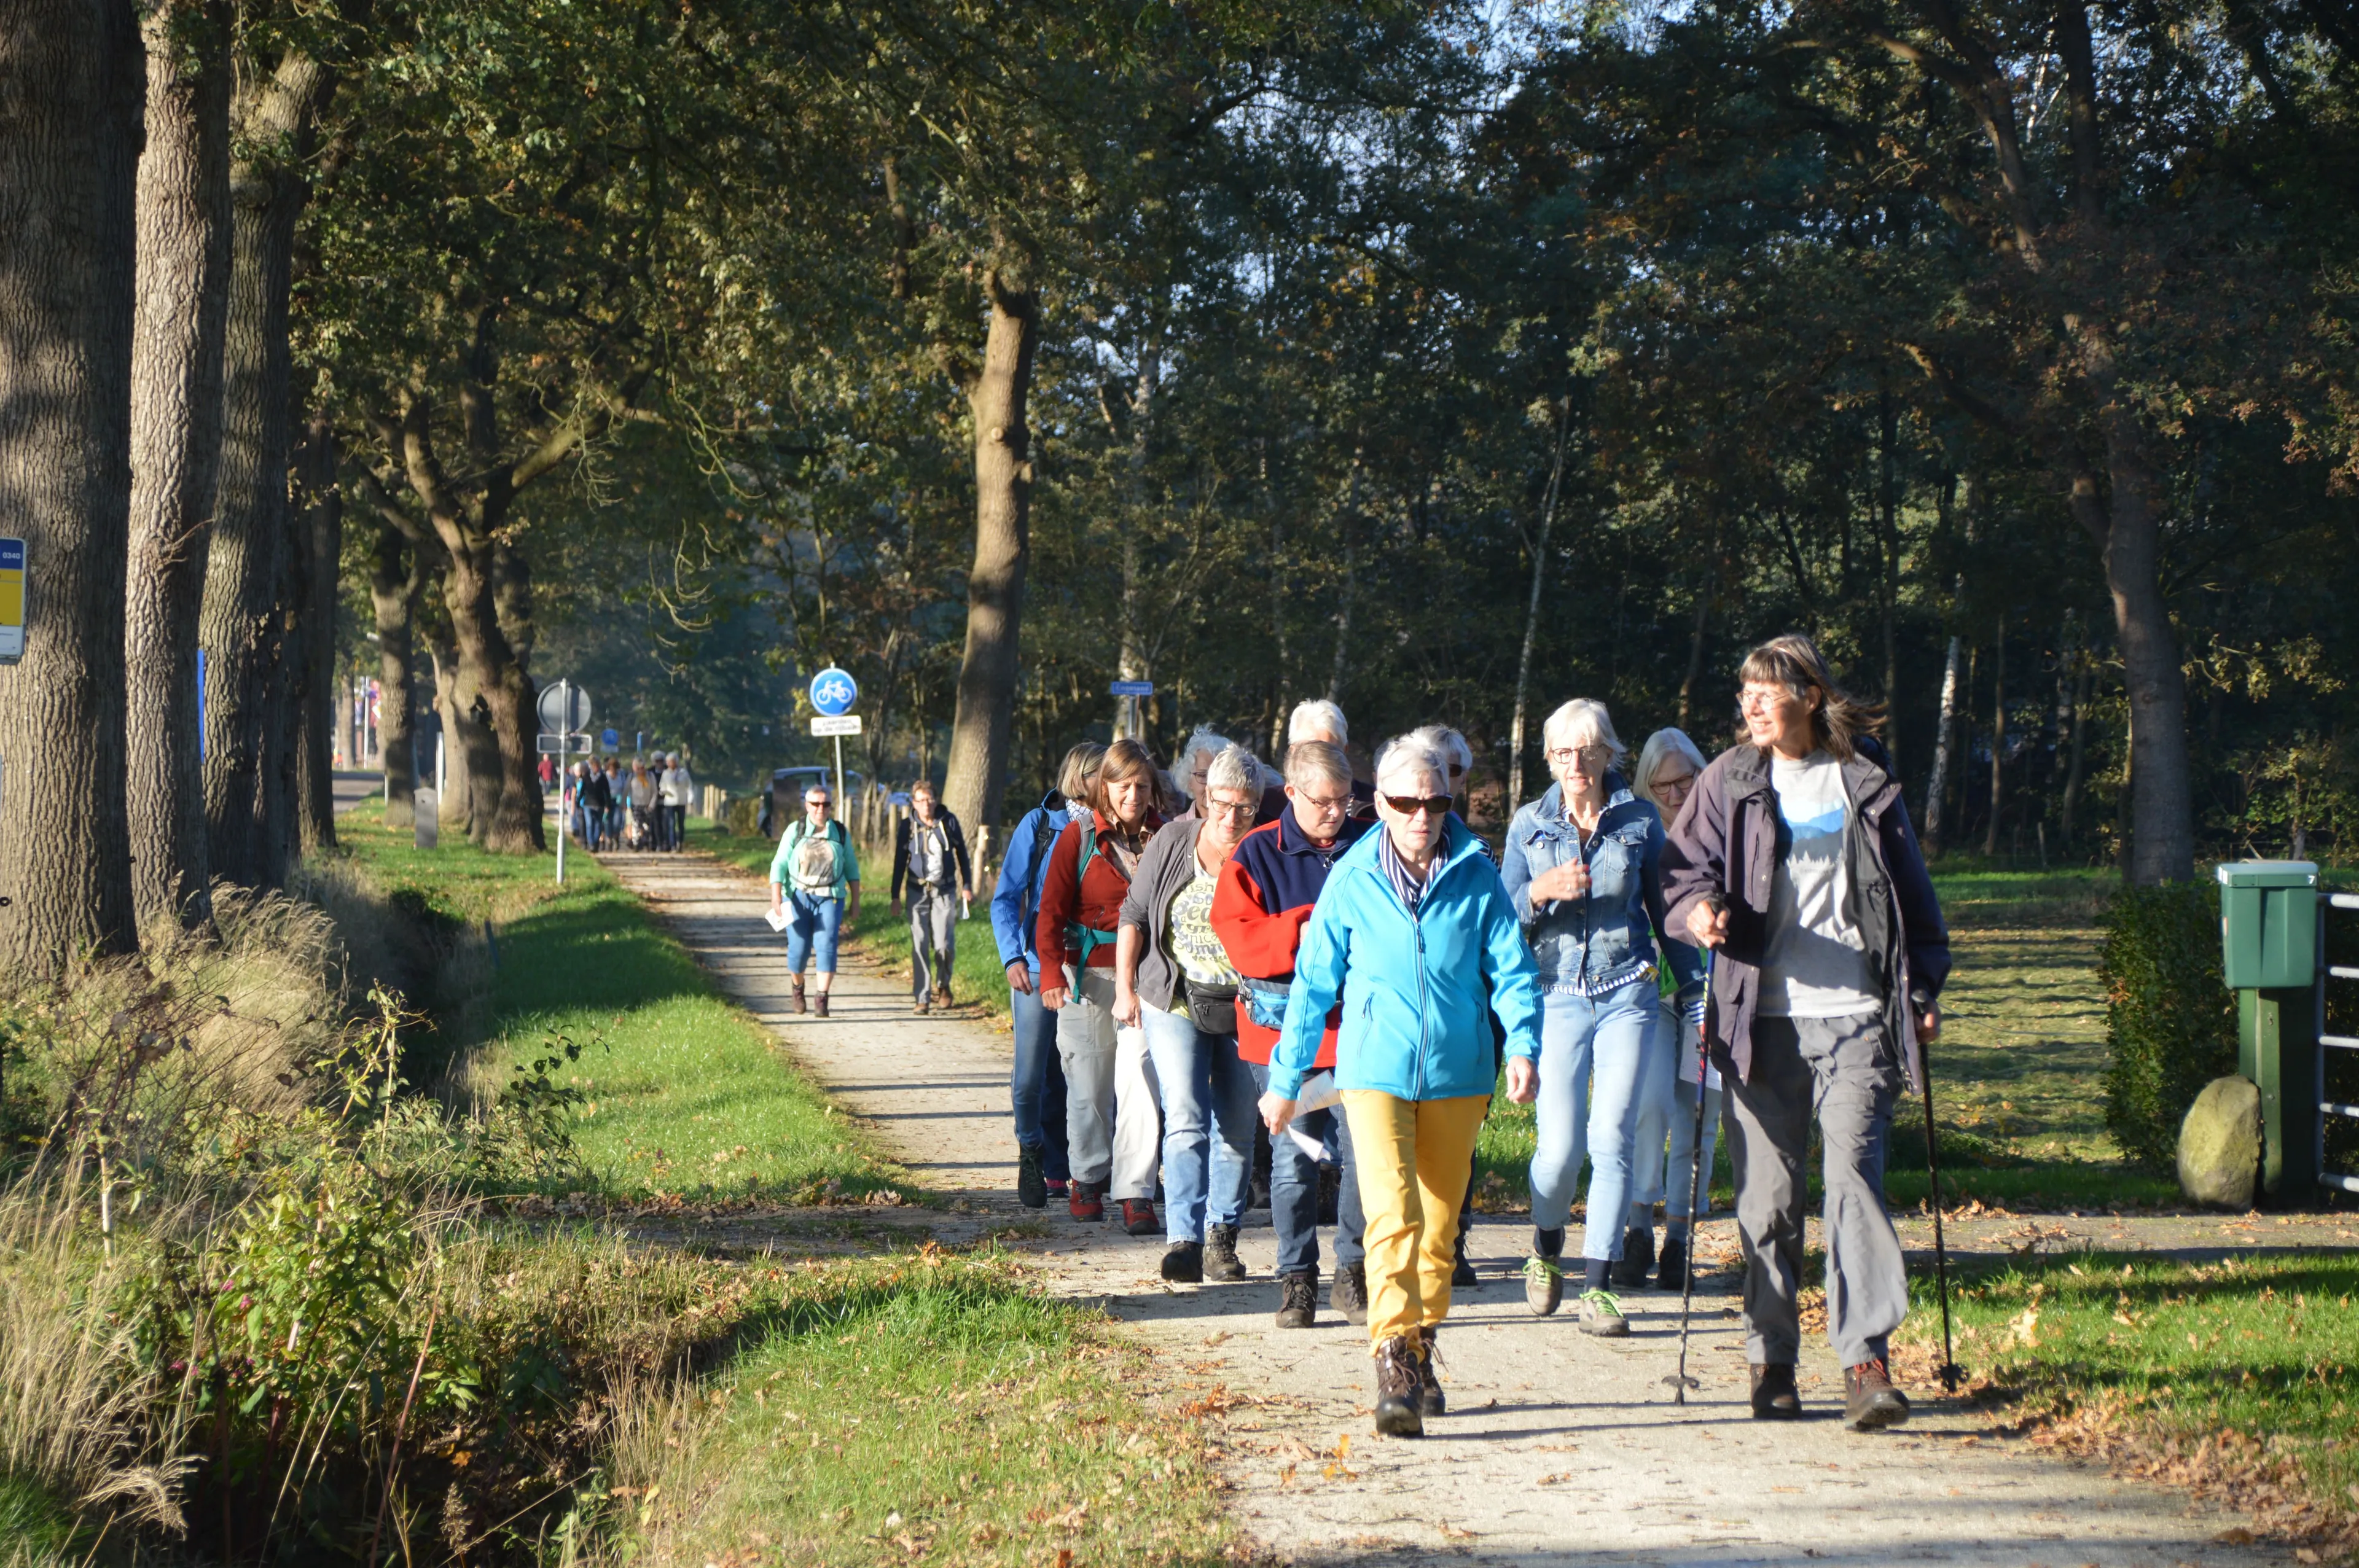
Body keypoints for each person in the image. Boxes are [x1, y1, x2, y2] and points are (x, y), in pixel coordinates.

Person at [1661, 633, 1950, 1431]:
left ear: (1809, 696)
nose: (1751, 703)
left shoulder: (1864, 779)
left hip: (1857, 1014)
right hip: (1761, 1018)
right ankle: (1773, 1360)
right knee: (1770, 1198)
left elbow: (1911, 896)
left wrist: (1922, 983)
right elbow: (1680, 873)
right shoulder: (1731, 778)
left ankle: (1865, 1360)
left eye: (1767, 689)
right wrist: (1697, 913)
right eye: (1744, 690)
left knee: (1854, 1176)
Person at [1259, 736, 1542, 1437]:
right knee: (1392, 1217)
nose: (1423, 815)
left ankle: (1420, 1346)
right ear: (1378, 803)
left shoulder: (1476, 873)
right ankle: (1392, 1357)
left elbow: (1511, 969)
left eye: (1436, 801)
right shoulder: (1352, 881)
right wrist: (1286, 1079)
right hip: (1374, 1072)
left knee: (1440, 1231)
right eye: (1407, 803)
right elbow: (1313, 986)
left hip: (1459, 1073)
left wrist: (1525, 1046)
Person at [1502, 699, 1703, 1335]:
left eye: (1587, 751)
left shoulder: (1640, 821)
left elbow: (1668, 911)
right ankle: (1545, 1245)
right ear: (1550, 758)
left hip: (1629, 993)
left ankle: (1599, 1286)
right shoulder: (1528, 825)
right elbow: (1499, 917)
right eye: (1563, 752)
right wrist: (1539, 891)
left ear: (1608, 753)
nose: (1575, 764)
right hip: (1554, 994)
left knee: (1611, 1134)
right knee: (1558, 1151)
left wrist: (1694, 986)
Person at [1214, 740, 1375, 1327]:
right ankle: (1296, 1278)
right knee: (1293, 1157)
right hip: (1286, 1036)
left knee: (1364, 1155)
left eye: (1345, 799)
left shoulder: (1370, 845)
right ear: (1294, 792)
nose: (1336, 811)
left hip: (1360, 1033)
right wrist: (1315, 926)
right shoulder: (1258, 851)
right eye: (1324, 801)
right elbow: (1240, 939)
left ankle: (1352, 1270)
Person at [1116, 744, 1262, 1283]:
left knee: (1239, 1124)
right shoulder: (1175, 840)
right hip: (1175, 996)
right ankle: (1184, 1237)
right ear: (1204, 796)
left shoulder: (1266, 849)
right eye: (1221, 804)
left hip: (1246, 1006)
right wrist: (1126, 987)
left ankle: (1222, 1235)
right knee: (1185, 1116)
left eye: (1244, 808)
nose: (1230, 818)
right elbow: (1133, 912)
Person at [1036, 738, 1165, 1233]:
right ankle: (1087, 1177)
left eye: (1142, 785)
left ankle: (1135, 1189)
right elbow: (1050, 910)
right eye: (1123, 784)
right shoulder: (1079, 834)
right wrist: (1051, 972)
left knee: (1139, 1082)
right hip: (1086, 976)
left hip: (1147, 976)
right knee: (1088, 1086)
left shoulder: (1165, 836)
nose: (1133, 794)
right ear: (1103, 787)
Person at [1622, 727, 1719, 1289]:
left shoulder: (1724, 828)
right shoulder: (1639, 831)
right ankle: (1638, 1228)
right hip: (1655, 991)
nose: (1676, 793)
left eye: (1686, 779)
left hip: (1714, 995)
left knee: (1695, 1118)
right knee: (1649, 1105)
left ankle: (1681, 1235)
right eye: (1662, 785)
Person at [992, 744, 1100, 1209]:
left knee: (1087, 1074)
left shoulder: (1116, 829)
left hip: (1092, 966)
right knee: (1032, 1076)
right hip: (1036, 966)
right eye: (1103, 774)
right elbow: (1005, 897)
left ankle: (1079, 1170)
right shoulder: (1039, 825)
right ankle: (1032, 1148)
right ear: (1081, 776)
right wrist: (1012, 956)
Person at [769, 782, 861, 1018]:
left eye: (826, 804)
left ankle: (822, 998)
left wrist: (856, 901)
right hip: (799, 896)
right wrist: (776, 896)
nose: (821, 808)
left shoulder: (839, 833)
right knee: (798, 950)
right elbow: (779, 863)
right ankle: (797, 988)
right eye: (816, 804)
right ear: (807, 805)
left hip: (830, 897)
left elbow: (851, 867)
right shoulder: (796, 830)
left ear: (831, 806)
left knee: (827, 945)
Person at [893, 778, 973, 1013]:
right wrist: (894, 896)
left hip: (945, 890)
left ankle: (944, 985)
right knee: (919, 943)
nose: (926, 804)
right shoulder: (907, 827)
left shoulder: (948, 822)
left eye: (929, 799)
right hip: (916, 891)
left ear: (935, 800)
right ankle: (922, 997)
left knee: (943, 944)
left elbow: (963, 855)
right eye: (920, 800)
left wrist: (967, 885)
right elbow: (900, 861)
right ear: (914, 803)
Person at [1285, 698, 1375, 811]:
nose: (1322, 761)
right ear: (1293, 752)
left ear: (1344, 751)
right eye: (1311, 753)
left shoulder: (1375, 805)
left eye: (1330, 752)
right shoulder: (1269, 807)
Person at [662, 752, 695, 852]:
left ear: (676, 762)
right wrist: (663, 791)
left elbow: (689, 786)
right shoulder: (666, 773)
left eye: (671, 762)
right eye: (668, 762)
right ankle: (673, 845)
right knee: (671, 823)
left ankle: (680, 842)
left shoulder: (683, 773)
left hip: (681, 801)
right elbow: (662, 786)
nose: (669, 764)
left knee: (681, 824)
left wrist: (690, 798)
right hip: (670, 801)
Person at [582, 756, 613, 851]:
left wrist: (608, 804)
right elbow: (583, 789)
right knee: (590, 824)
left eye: (597, 766)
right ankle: (591, 843)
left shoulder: (603, 777)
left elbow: (607, 792)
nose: (596, 768)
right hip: (588, 804)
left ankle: (596, 842)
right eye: (594, 766)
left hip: (600, 804)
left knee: (599, 825)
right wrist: (579, 801)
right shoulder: (586, 776)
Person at [627, 759, 659, 849]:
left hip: (647, 805)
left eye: (642, 768)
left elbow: (654, 792)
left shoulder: (650, 776)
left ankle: (645, 841)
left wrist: (651, 805)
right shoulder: (632, 776)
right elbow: (626, 790)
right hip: (635, 805)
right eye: (638, 768)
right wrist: (624, 804)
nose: (641, 770)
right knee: (636, 824)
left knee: (646, 826)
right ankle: (636, 843)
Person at [603, 757, 627, 848]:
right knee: (608, 821)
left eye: (614, 768)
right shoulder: (606, 776)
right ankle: (609, 840)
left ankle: (616, 837)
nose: (613, 770)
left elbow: (624, 789)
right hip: (608, 801)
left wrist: (625, 802)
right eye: (611, 767)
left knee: (617, 822)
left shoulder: (621, 776)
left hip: (618, 801)